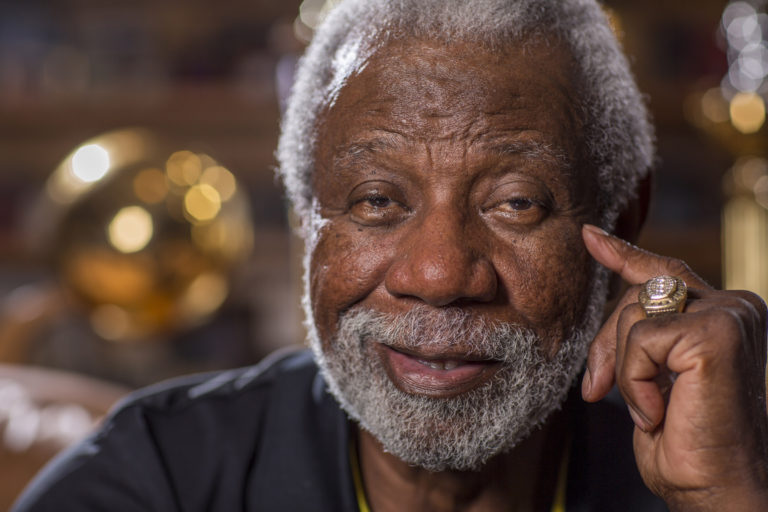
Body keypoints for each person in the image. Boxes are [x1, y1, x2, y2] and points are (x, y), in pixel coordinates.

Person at [13, 0, 768, 510]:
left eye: (514, 203)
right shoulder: (159, 481)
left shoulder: (716, 468)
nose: (438, 277)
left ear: (622, 218)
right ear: (305, 216)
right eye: (377, 202)